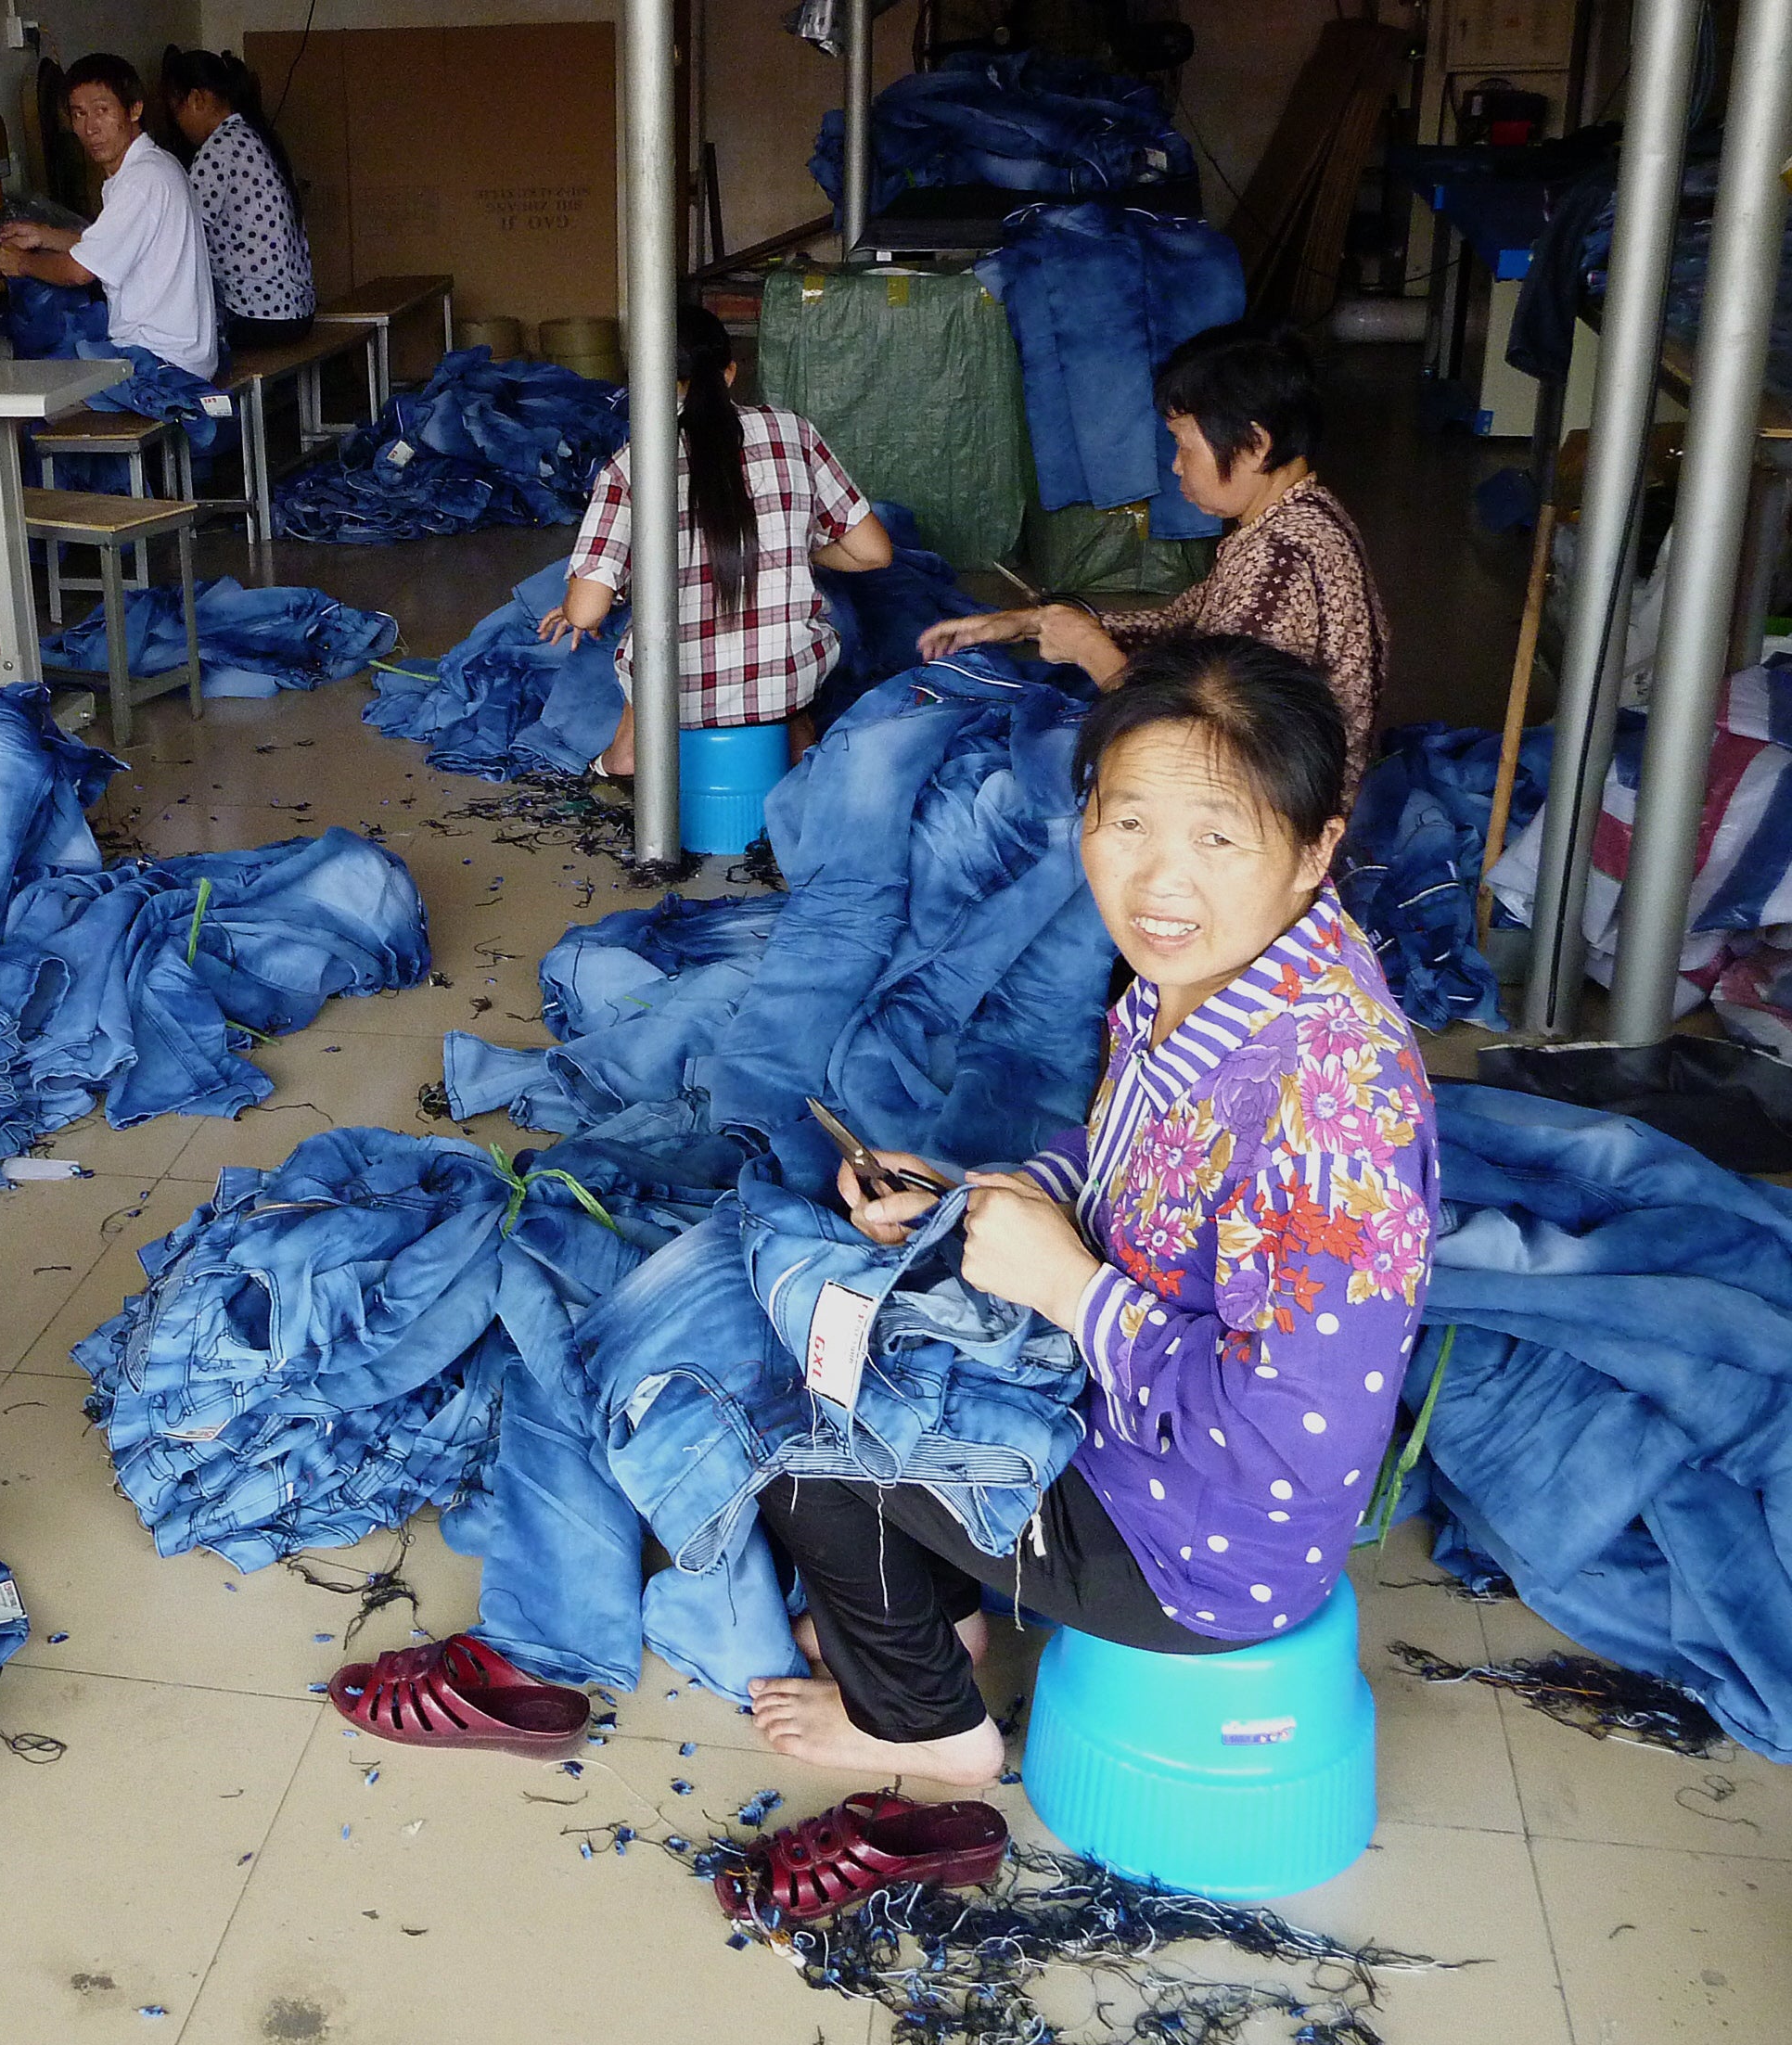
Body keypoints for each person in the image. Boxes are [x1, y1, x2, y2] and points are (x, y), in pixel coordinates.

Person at [747, 636, 1436, 1785]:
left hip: (1191, 1550)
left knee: (789, 1421)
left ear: (1316, 850)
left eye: (1219, 839)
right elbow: (1119, 1155)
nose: (1161, 886)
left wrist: (1068, 1284)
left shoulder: (1333, 1110)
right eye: (1128, 828)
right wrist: (979, 1198)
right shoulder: (1203, 978)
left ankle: (926, 1724)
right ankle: (950, 1618)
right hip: (1120, 1427)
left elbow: (1282, 1439)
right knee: (852, 1303)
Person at [919, 326, 1389, 807]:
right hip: (1270, 783)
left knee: (990, 786)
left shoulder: (1280, 561)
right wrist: (1028, 623)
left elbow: (1209, 751)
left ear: (1255, 446)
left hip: (1272, 812)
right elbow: (1180, 624)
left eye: (1184, 445)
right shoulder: (1297, 515)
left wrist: (1091, 651)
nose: (1177, 466)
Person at [541, 305, 896, 776]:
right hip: (789, 678)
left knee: (646, 651)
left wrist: (576, 605)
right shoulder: (793, 433)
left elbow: (587, 612)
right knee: (786, 670)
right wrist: (782, 548)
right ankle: (795, 743)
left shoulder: (632, 465)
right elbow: (874, 552)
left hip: (678, 696)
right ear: (730, 373)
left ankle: (628, 754)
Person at [0, 53, 220, 382]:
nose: (90, 128)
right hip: (183, 353)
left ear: (134, 110)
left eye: (102, 111)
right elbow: (112, 247)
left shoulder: (141, 181)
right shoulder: (154, 166)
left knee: (34, 387)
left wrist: (22, 264)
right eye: (79, 114)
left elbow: (78, 272)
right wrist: (44, 236)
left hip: (160, 362)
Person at [160, 46, 315, 351]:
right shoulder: (256, 136)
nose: (177, 124)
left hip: (257, 315)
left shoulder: (219, 148)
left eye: (175, 110)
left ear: (197, 99)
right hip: (296, 310)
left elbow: (184, 236)